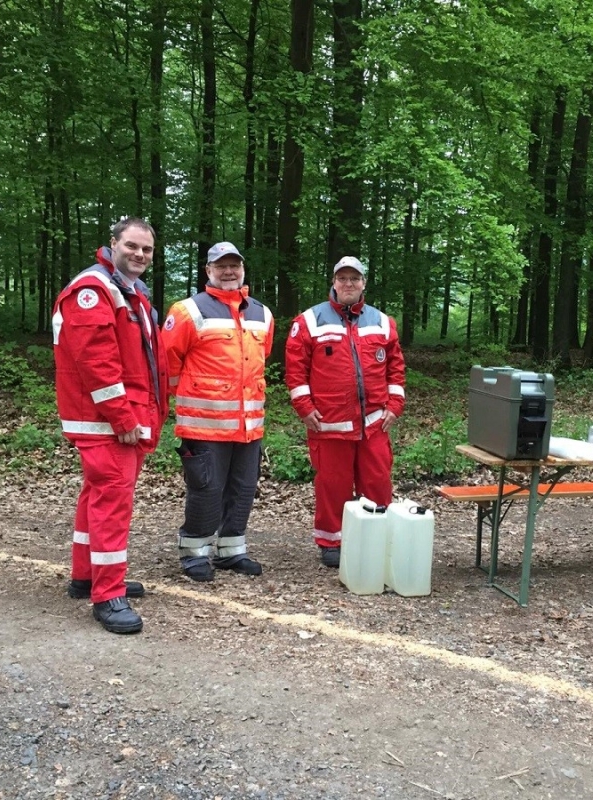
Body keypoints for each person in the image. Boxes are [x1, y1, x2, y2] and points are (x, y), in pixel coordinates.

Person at [53, 217, 169, 634]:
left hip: (120, 416)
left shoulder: (127, 291)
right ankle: (108, 595)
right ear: (113, 243)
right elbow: (96, 363)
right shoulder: (94, 290)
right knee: (111, 505)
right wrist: (122, 417)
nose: (139, 254)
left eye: (147, 250)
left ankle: (86, 578)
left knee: (96, 497)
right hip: (107, 420)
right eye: (132, 246)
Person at [161, 242, 274, 582]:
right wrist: (191, 395)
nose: (229, 272)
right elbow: (167, 364)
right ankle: (194, 553)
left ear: (243, 269)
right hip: (204, 424)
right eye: (221, 266)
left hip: (248, 425)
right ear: (208, 271)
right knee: (207, 489)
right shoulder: (187, 311)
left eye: (234, 265)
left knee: (242, 488)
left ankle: (231, 550)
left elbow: (259, 362)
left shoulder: (262, 313)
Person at [284, 255, 406, 568]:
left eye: (354, 278)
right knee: (332, 484)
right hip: (329, 422)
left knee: (377, 482)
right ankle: (331, 541)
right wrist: (304, 406)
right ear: (334, 282)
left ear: (364, 283)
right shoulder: (309, 321)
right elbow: (295, 370)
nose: (348, 284)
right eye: (343, 278)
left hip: (374, 422)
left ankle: (376, 538)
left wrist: (395, 404)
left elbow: (396, 367)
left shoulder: (382, 322)